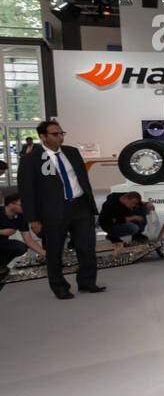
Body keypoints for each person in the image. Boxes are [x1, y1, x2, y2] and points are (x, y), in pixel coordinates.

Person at [17, 119, 104, 299]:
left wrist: (90, 205)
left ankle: (87, 282)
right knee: (54, 251)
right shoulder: (30, 160)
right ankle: (60, 287)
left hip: (80, 206)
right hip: (53, 211)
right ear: (43, 137)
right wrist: (33, 219)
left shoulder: (72, 152)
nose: (60, 137)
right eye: (55, 134)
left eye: (61, 133)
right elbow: (27, 192)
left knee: (87, 248)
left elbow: (82, 179)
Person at [1, 192, 45, 287]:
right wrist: (2, 232)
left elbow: (28, 239)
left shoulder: (20, 217)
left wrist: (45, 254)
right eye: (22, 205)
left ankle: (1, 265)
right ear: (11, 204)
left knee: (19, 247)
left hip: (3, 243)